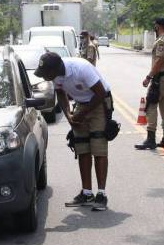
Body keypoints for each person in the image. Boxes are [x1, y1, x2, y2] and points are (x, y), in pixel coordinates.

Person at [34, 51, 113, 212]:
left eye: (45, 74)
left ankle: (101, 194)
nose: (43, 77)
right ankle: (87, 193)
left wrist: (82, 113)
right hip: (81, 104)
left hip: (99, 103)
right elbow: (61, 94)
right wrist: (69, 115)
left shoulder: (81, 68)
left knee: (98, 148)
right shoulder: (55, 76)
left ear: (55, 69)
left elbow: (100, 93)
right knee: (82, 147)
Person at [135, 17, 164, 150]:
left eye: (155, 25)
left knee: (151, 105)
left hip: (161, 78)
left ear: (159, 26)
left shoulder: (162, 42)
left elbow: (159, 61)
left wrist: (149, 77)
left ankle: (150, 138)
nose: (154, 28)